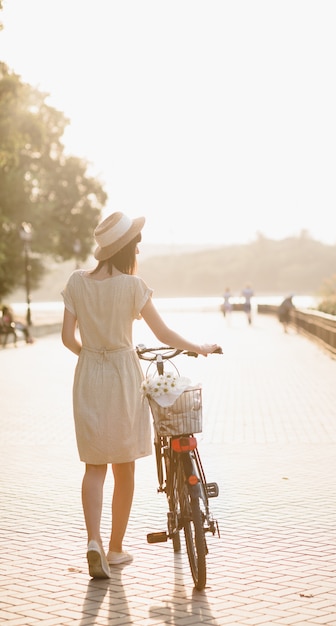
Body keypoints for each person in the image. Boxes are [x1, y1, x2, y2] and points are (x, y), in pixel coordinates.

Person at [61, 211, 220, 580]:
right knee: (125, 468)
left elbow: (69, 339)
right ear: (127, 249)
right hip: (124, 374)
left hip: (88, 373)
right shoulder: (133, 287)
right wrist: (201, 346)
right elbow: (164, 335)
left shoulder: (76, 282)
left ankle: (93, 541)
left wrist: (91, 358)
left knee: (94, 466)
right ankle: (115, 549)